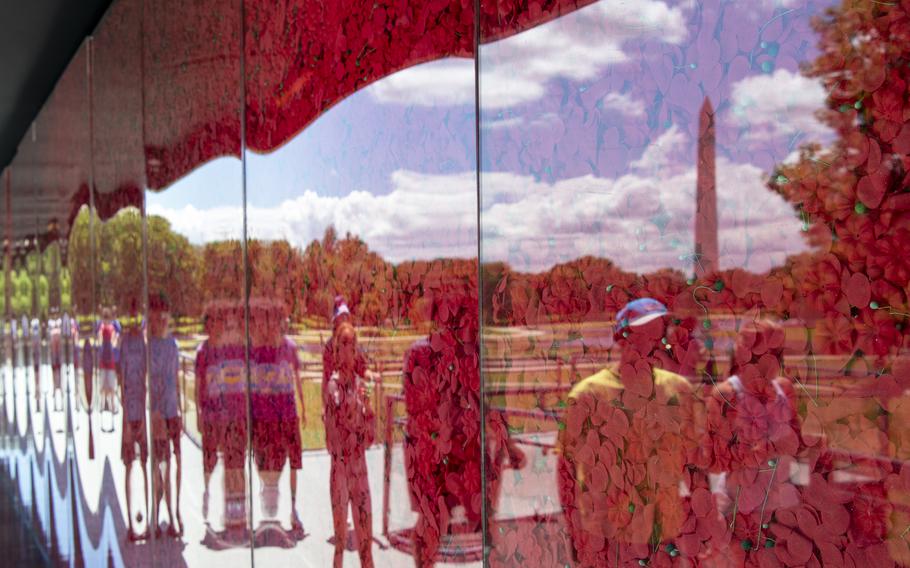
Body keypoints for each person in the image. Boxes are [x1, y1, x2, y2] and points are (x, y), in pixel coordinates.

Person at [557, 298, 703, 566]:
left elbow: (693, 464)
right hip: (611, 536)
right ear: (622, 338)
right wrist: (575, 534)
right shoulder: (588, 395)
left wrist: (701, 526)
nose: (653, 341)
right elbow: (566, 470)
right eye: (643, 333)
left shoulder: (678, 390)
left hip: (663, 534)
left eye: (658, 332)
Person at [249, 298, 304, 535]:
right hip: (267, 416)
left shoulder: (290, 347)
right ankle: (268, 489)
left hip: (288, 413)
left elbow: (297, 377)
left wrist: (301, 405)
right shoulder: (260, 349)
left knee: (294, 461)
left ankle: (294, 508)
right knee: (266, 459)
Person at [195, 300, 247, 536]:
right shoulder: (203, 352)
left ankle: (237, 512)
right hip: (212, 415)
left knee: (235, 464)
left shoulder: (236, 350)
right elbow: (199, 385)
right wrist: (198, 411)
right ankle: (208, 492)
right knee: (212, 462)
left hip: (234, 417)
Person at [325, 322, 375, 568]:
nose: (349, 349)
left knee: (366, 547)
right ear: (337, 349)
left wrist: (369, 413)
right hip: (342, 472)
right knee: (341, 545)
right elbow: (332, 439)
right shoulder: (333, 387)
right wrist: (354, 423)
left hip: (360, 471)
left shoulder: (361, 386)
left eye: (353, 344)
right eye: (344, 343)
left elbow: (371, 438)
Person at [148, 294, 182, 537]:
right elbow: (154, 382)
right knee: (160, 465)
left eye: (164, 316)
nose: (161, 320)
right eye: (157, 316)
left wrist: (179, 406)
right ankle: (158, 512)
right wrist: (156, 414)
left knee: (173, 464)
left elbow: (175, 379)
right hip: (158, 414)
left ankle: (174, 513)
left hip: (173, 412)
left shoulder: (173, 345)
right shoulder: (150, 346)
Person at [118, 303, 149, 541]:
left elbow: (147, 377)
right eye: (131, 317)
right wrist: (127, 419)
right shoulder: (124, 343)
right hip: (130, 411)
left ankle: (147, 520)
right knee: (129, 467)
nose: (134, 320)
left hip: (143, 411)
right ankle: (130, 523)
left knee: (145, 466)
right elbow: (122, 381)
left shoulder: (143, 343)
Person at [98, 307, 120, 421]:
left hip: (108, 360)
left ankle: (108, 405)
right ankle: (106, 404)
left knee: (108, 383)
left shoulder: (109, 329)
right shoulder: (105, 329)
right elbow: (113, 343)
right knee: (107, 383)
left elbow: (112, 342)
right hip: (106, 359)